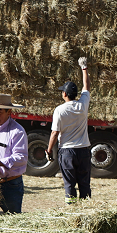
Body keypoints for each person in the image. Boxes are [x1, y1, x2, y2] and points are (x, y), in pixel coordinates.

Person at [46, 57, 91, 204]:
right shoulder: (83, 105)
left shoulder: (59, 110)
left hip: (67, 152)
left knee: (69, 184)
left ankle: (71, 209)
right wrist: (84, 68)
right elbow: (86, 86)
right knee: (84, 183)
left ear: (65, 94)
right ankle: (86, 208)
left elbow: (55, 133)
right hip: (84, 150)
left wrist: (49, 150)